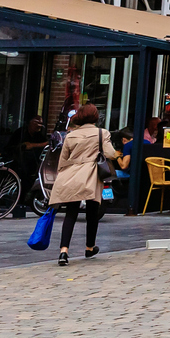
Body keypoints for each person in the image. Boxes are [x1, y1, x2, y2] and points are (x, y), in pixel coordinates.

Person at [49, 102, 121, 266]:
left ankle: (63, 251)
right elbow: (110, 153)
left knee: (71, 213)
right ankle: (89, 247)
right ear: (96, 117)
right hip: (91, 174)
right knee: (92, 211)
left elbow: (63, 160)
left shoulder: (71, 135)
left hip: (72, 174)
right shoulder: (102, 133)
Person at [11, 116, 51, 217]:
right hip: (19, 161)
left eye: (40, 124)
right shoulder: (20, 133)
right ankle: (19, 202)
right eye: (36, 123)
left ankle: (25, 200)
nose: (39, 126)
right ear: (30, 123)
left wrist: (34, 145)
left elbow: (46, 144)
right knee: (23, 179)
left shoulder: (38, 135)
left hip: (33, 162)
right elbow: (18, 146)